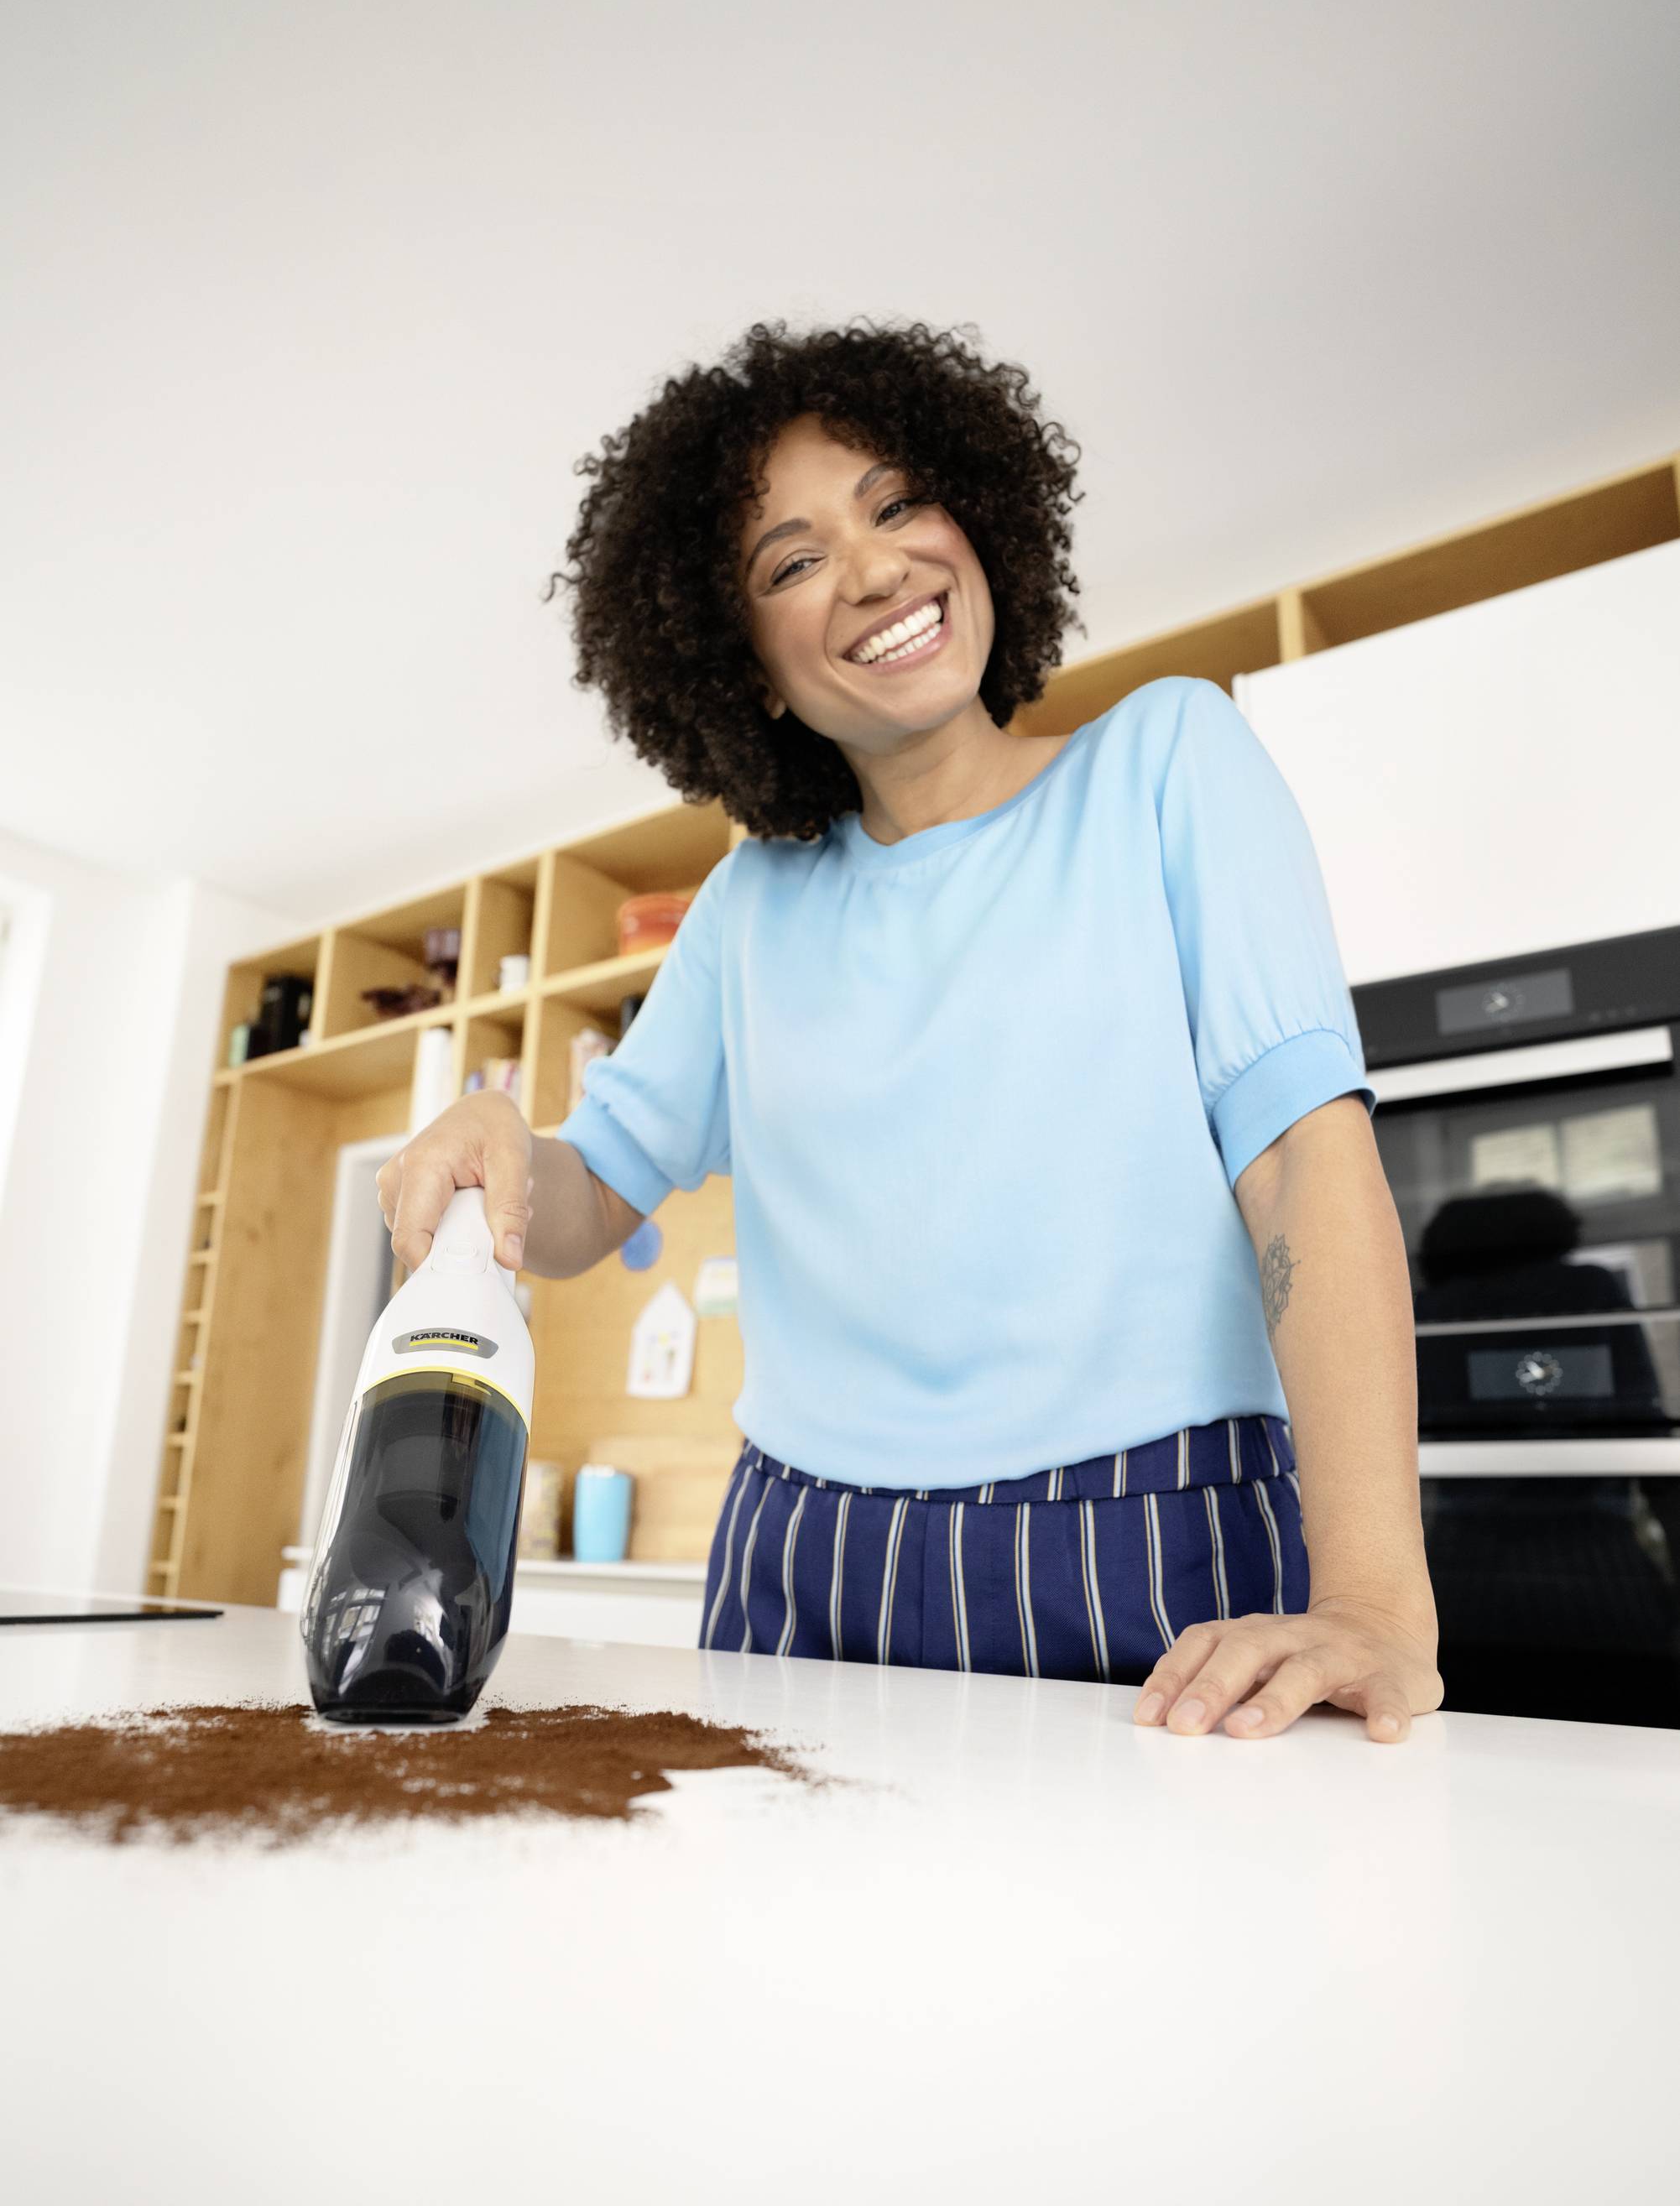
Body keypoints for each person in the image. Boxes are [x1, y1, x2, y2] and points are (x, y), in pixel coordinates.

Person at [378, 316, 1443, 1744]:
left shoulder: (1169, 762)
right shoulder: (750, 905)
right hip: (798, 1560)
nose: (875, 568)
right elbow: (585, 1201)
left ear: (978, 520)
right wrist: (507, 1142)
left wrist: (1373, 1597)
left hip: (1153, 1539)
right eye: (794, 559)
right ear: (739, 658)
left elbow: (1305, 1168)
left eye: (897, 504)